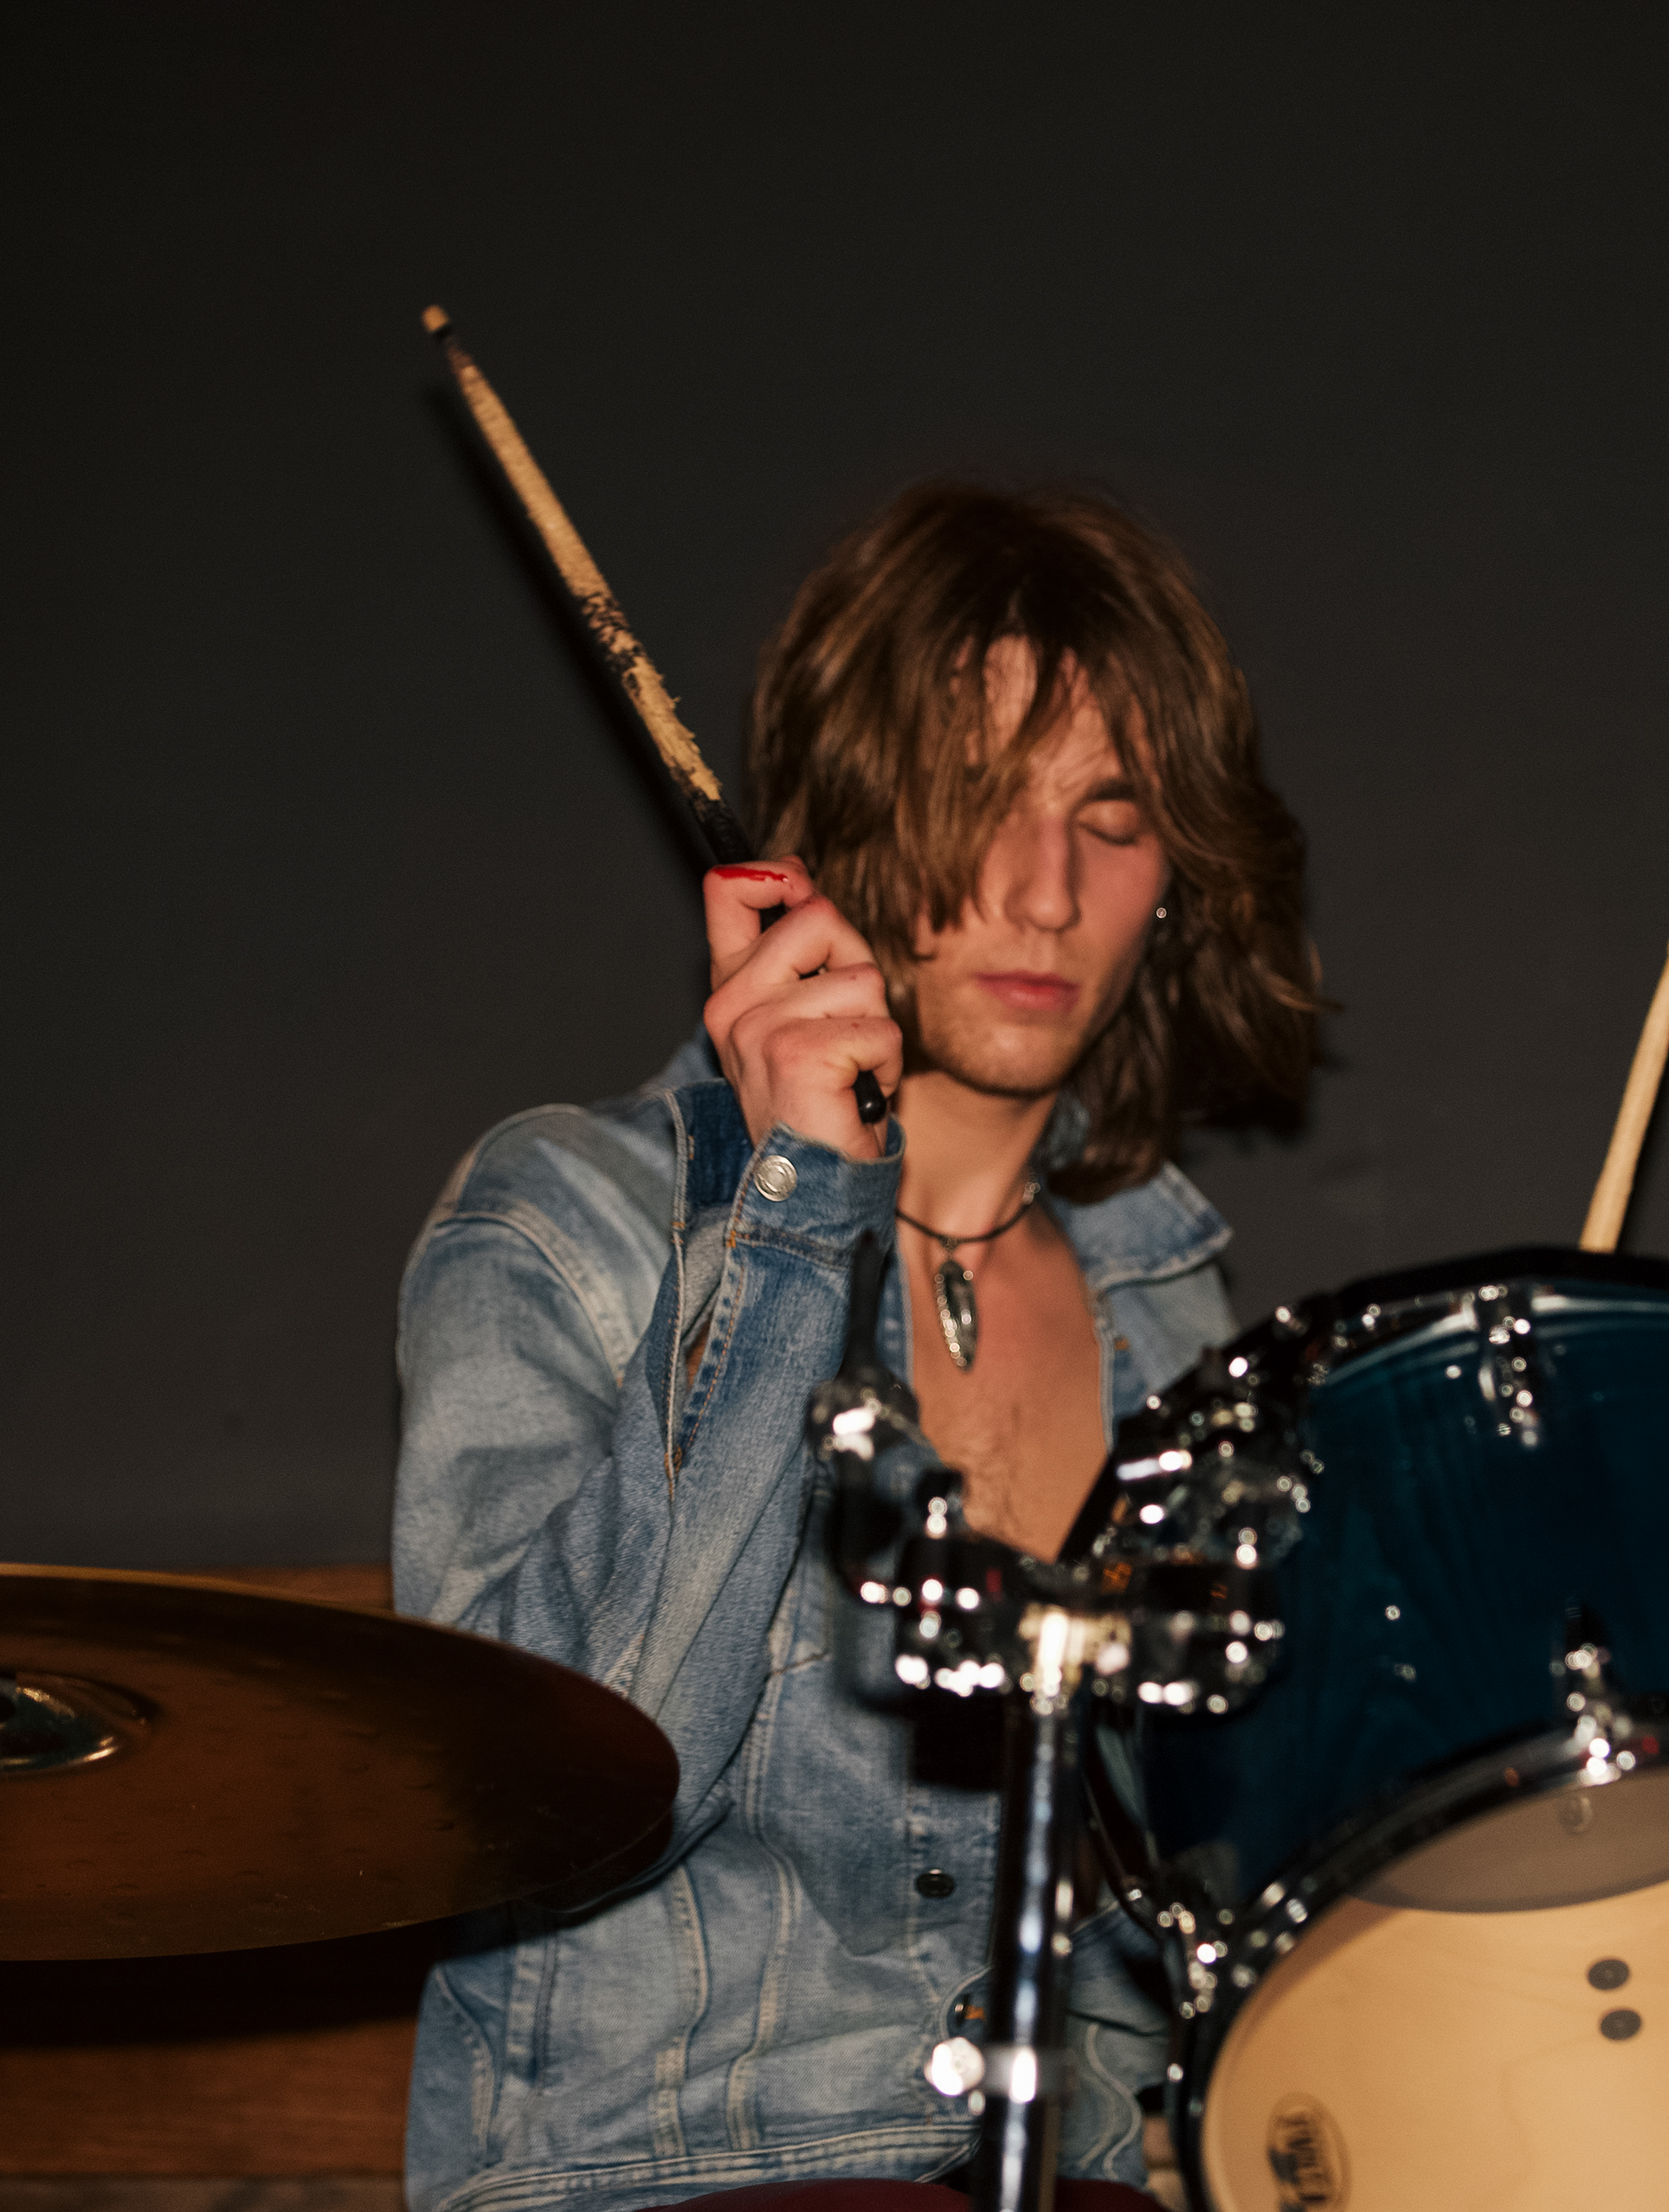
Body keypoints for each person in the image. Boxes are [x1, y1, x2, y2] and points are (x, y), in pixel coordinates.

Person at [391, 480, 1319, 2212]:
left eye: (1114, 819)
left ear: (1181, 883)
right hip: (660, 2183)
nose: (1045, 892)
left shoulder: (1176, 1314)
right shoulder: (567, 1219)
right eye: (979, 801)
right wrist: (797, 1219)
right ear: (827, 831)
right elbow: (548, 1801)